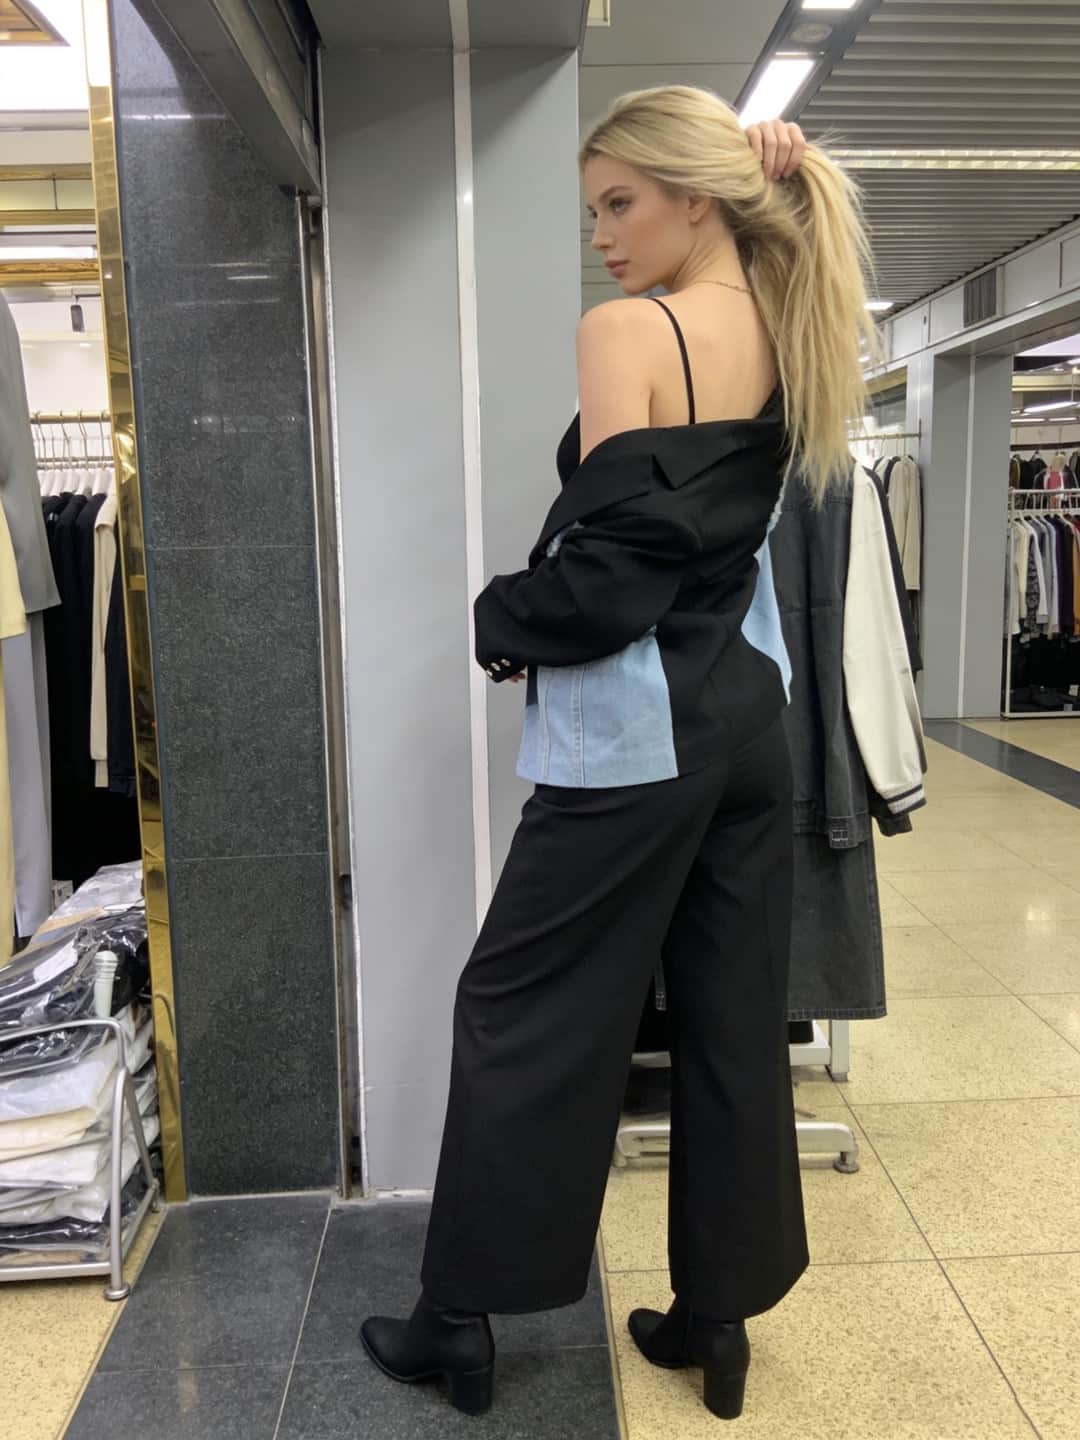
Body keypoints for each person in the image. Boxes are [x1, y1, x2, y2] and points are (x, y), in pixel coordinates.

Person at [361, 88, 877, 1421]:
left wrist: (498, 624)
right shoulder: (791, 319)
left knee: (519, 1006)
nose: (600, 235)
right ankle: (716, 1316)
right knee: (729, 1019)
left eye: (620, 202)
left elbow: (610, 577)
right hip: (747, 726)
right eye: (594, 208)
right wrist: (769, 169)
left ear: (695, 198)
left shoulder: (627, 331)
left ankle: (458, 1321)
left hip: (638, 736)